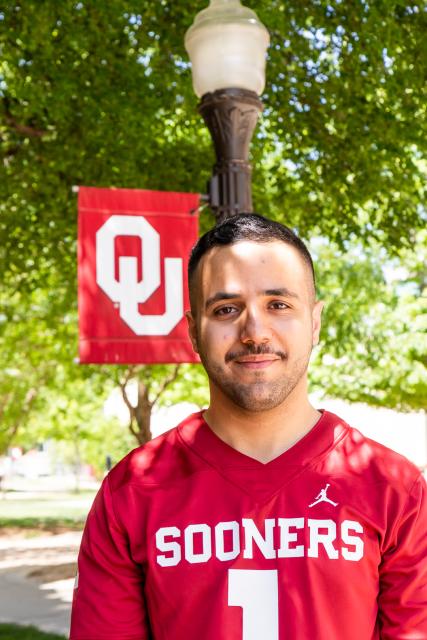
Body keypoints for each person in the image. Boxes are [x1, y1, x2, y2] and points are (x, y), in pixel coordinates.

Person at [69, 214, 427, 640]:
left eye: (278, 304)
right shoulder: (131, 491)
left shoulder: (392, 487)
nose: (255, 331)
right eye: (226, 309)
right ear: (193, 332)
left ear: (314, 322)